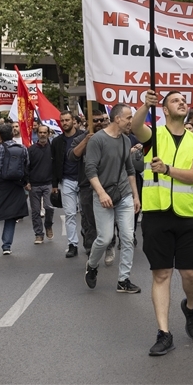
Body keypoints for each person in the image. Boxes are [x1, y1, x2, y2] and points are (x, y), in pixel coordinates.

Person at [131, 90, 193, 357]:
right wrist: (145, 104)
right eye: (175, 100)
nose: (182, 103)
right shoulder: (154, 136)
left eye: (184, 100)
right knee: (161, 274)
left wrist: (166, 169)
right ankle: (164, 333)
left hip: (189, 216)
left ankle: (190, 307)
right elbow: (134, 126)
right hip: (157, 215)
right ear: (164, 109)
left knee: (191, 275)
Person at [84, 104, 141, 294]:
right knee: (105, 238)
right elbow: (90, 169)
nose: (131, 121)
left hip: (124, 194)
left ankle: (123, 280)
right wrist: (101, 193)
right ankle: (92, 266)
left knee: (127, 238)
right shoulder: (97, 140)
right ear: (117, 119)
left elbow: (130, 170)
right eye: (128, 118)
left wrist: (135, 195)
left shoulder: (126, 140)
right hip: (103, 195)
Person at [69, 106, 110, 260]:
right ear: (87, 121)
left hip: (107, 185)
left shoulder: (110, 137)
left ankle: (109, 243)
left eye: (101, 120)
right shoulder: (80, 138)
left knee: (108, 219)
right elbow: (72, 156)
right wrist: (86, 142)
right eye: (95, 121)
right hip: (87, 186)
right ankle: (91, 252)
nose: (99, 123)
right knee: (89, 220)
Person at [0, 123, 30, 255]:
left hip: (0, 185)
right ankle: (7, 245)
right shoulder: (22, 148)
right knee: (11, 215)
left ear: (1, 136)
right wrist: (25, 181)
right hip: (15, 186)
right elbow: (27, 165)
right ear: (11, 134)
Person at [52, 110, 83, 258]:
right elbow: (54, 162)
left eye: (67, 120)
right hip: (67, 180)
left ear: (73, 121)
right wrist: (54, 184)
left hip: (84, 180)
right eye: (62, 120)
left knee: (86, 213)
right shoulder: (57, 142)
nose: (64, 123)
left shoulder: (84, 137)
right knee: (70, 214)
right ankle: (72, 244)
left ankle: (88, 240)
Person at [28, 126, 55, 244]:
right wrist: (27, 182)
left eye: (45, 132)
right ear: (37, 134)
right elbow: (26, 167)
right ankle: (38, 234)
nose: (43, 135)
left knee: (49, 207)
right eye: (40, 132)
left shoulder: (53, 149)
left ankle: (48, 225)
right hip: (34, 184)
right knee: (35, 211)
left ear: (48, 134)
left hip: (49, 183)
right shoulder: (31, 150)